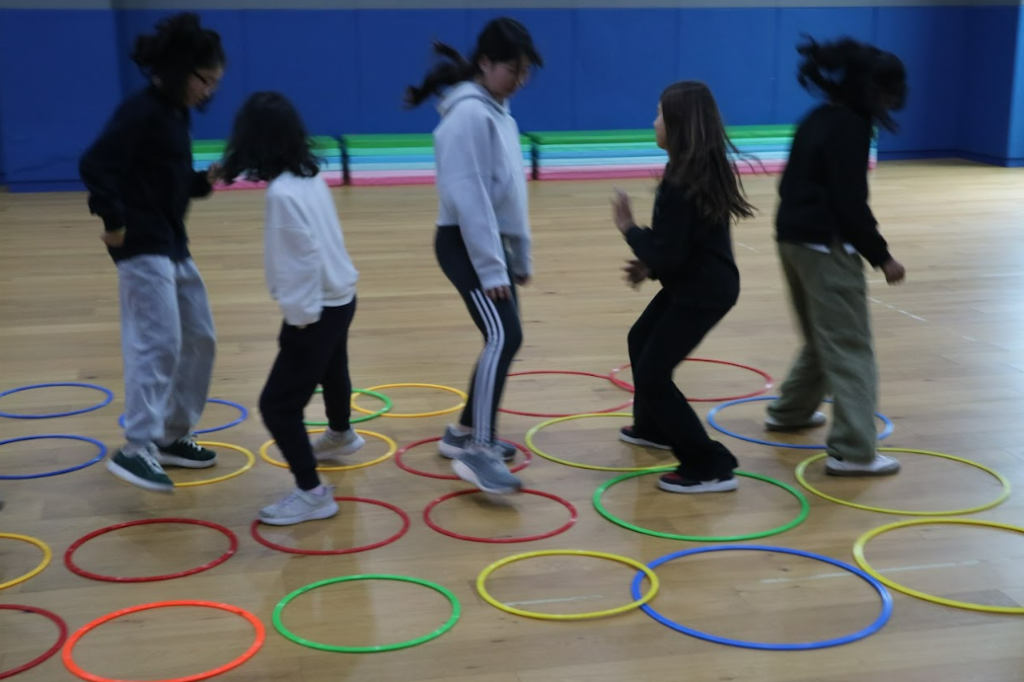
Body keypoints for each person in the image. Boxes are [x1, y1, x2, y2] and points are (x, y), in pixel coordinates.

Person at [79, 12, 225, 493]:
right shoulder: (140, 110)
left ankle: (170, 436)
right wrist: (113, 223)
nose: (209, 90)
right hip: (142, 243)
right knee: (158, 341)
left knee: (200, 338)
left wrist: (203, 180)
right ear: (182, 70)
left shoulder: (176, 114)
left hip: (171, 240)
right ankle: (136, 445)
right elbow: (96, 163)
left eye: (215, 82)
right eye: (205, 79)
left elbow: (170, 180)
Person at [404, 18, 543, 494]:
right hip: (464, 242)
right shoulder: (468, 116)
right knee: (504, 334)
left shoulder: (499, 112)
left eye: (525, 71)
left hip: (488, 244)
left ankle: (462, 432)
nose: (519, 80)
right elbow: (471, 199)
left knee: (504, 335)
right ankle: (478, 450)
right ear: (485, 63)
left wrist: (519, 256)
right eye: (512, 69)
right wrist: (490, 267)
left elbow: (512, 196)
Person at [765, 36, 908, 476]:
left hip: (792, 240)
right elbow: (850, 204)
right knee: (850, 346)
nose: (893, 104)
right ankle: (853, 450)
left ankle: (790, 411)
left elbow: (788, 184)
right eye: (891, 96)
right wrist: (882, 257)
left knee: (821, 336)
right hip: (826, 248)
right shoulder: (851, 128)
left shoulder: (819, 117)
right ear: (874, 91)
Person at [219, 92, 363, 525]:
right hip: (342, 296)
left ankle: (312, 492)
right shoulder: (309, 176)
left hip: (316, 309)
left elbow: (300, 261)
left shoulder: (282, 193)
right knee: (333, 368)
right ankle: (341, 433)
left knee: (277, 406)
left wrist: (298, 322)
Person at [612, 81, 756, 494]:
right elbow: (679, 243)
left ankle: (708, 464)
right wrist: (651, 264)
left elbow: (669, 251)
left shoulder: (683, 181)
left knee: (654, 374)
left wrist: (629, 229)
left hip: (702, 292)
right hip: (694, 282)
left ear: (677, 124)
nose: (653, 122)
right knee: (640, 339)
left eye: (659, 114)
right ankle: (654, 428)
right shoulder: (690, 170)